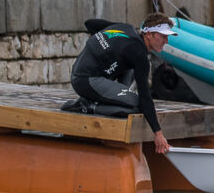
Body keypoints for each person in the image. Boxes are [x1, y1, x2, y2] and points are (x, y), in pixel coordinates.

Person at [66, 12, 175, 154]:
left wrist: (105, 50)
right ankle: (87, 106)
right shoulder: (139, 54)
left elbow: (90, 23)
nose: (166, 41)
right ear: (149, 34)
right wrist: (158, 134)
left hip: (80, 71)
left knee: (128, 66)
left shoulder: (125, 29)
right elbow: (144, 98)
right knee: (136, 106)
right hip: (86, 81)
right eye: (163, 36)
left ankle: (110, 98)